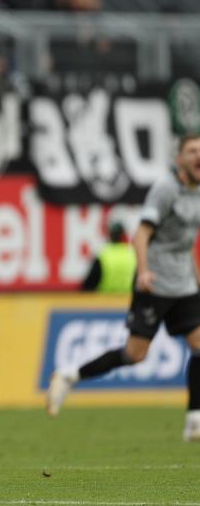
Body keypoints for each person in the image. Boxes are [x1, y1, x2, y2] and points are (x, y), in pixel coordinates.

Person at [47, 135, 200, 443]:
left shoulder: (197, 192)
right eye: (193, 151)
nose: (199, 156)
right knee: (135, 354)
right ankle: (70, 374)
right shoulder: (165, 188)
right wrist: (143, 272)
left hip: (183, 284)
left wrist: (195, 277)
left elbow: (185, 243)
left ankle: (194, 420)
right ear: (179, 158)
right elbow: (140, 235)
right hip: (154, 284)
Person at [81, 221, 136, 293]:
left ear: (110, 235)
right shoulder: (132, 255)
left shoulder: (103, 255)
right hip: (126, 301)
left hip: (105, 301)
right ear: (124, 235)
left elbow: (88, 285)